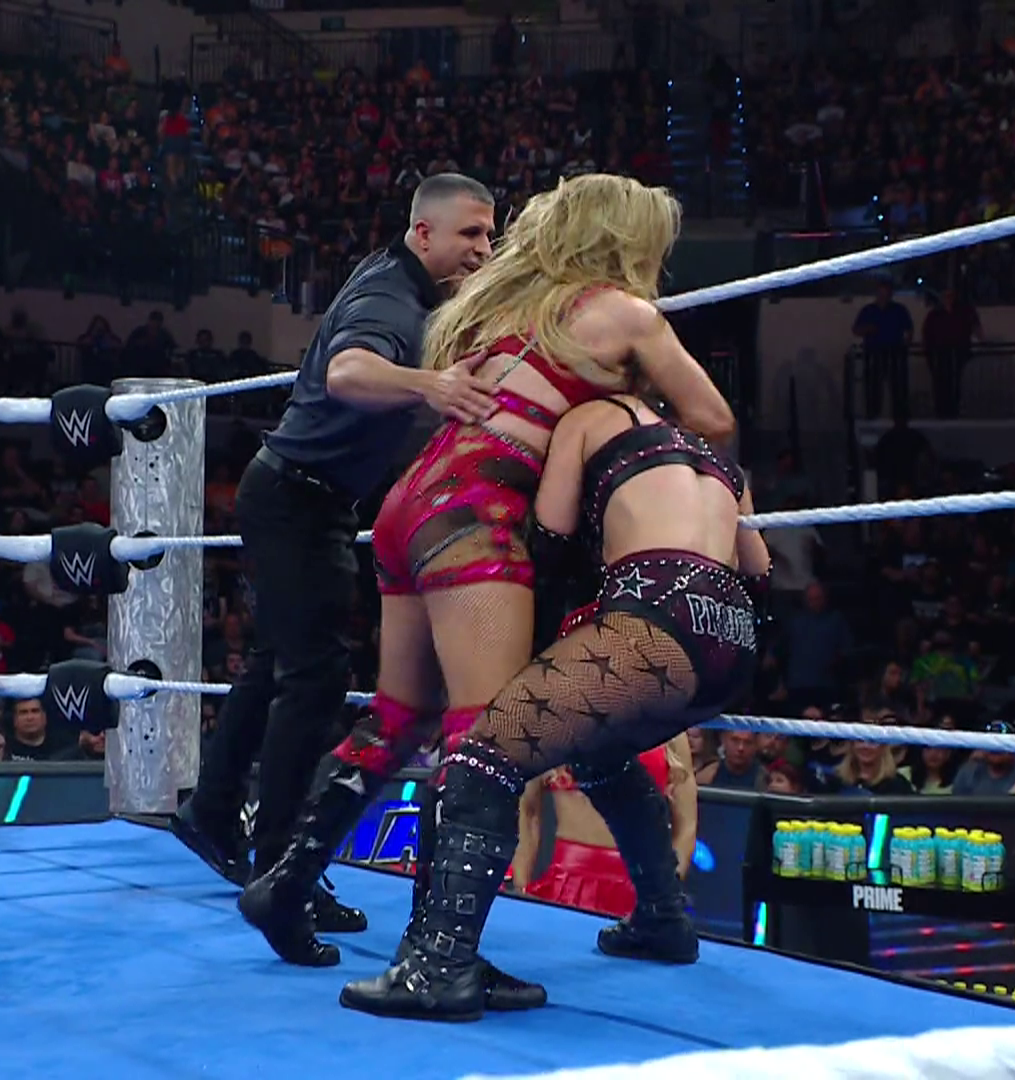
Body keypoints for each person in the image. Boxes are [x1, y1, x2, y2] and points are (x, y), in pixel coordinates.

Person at [236, 175, 734, 988]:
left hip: (409, 507)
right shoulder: (625, 314)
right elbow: (714, 421)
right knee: (482, 743)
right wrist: (631, 426)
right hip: (476, 518)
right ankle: (438, 952)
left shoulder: (505, 310)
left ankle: (287, 881)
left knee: (398, 716)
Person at [339, 391, 770, 1022]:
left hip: (655, 621)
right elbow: (759, 568)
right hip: (735, 643)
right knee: (601, 751)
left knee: (482, 753)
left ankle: (440, 966)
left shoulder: (593, 418)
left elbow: (549, 540)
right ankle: (662, 919)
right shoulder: (718, 460)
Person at [168, 175, 501, 925]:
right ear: (423, 233)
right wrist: (432, 386)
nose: (484, 248)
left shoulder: (414, 291)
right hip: (299, 501)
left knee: (277, 663)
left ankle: (212, 811)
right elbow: (349, 372)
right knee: (314, 680)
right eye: (470, 234)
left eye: (489, 234)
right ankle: (279, 865)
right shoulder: (390, 296)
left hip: (298, 494)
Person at [511, 737, 698, 918]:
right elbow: (527, 812)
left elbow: (687, 825)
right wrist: (520, 888)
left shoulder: (668, 725)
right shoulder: (552, 723)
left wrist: (665, 891)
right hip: (568, 883)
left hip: (645, 884)